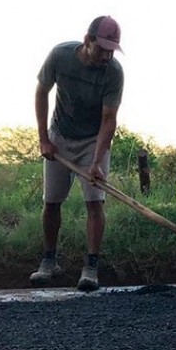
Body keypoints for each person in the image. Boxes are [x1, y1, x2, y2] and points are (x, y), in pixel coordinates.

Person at [31, 15, 124, 292]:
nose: (107, 55)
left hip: (93, 140)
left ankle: (91, 266)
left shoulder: (114, 72)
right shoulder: (60, 56)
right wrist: (44, 139)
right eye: (102, 48)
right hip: (60, 135)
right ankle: (49, 261)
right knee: (52, 202)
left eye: (112, 50)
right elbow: (41, 92)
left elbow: (109, 120)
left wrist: (96, 162)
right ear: (87, 41)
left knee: (95, 202)